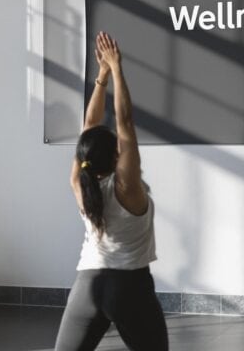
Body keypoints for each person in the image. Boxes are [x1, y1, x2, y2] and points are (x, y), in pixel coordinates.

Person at [54, 32, 168, 351]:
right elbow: (126, 123)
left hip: (87, 285)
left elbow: (88, 128)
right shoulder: (126, 187)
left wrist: (101, 77)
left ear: (84, 157)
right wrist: (116, 69)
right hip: (129, 286)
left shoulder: (80, 184)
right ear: (117, 156)